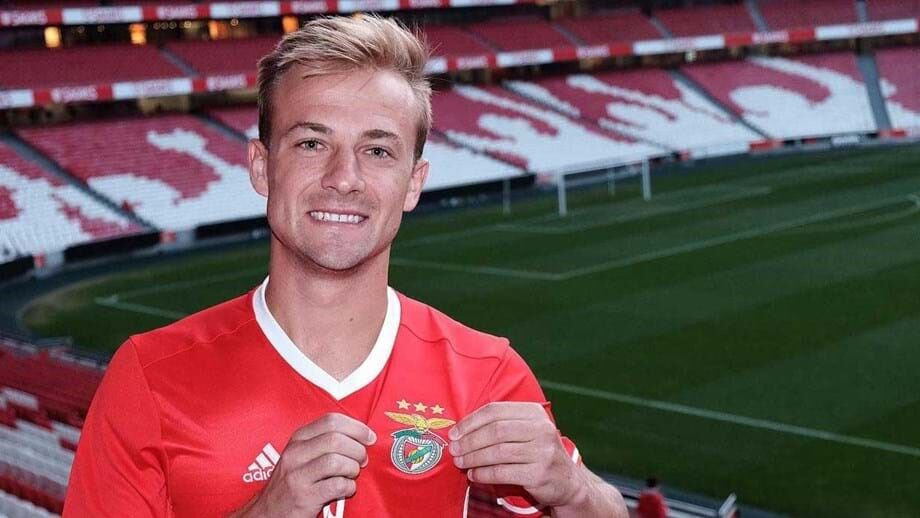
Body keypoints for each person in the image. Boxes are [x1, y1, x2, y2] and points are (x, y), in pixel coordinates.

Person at [63, 15, 627, 518]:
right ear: (261, 167)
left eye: (377, 151)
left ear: (414, 183)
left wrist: (573, 489)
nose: (344, 178)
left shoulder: (485, 371)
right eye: (312, 143)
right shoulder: (149, 377)